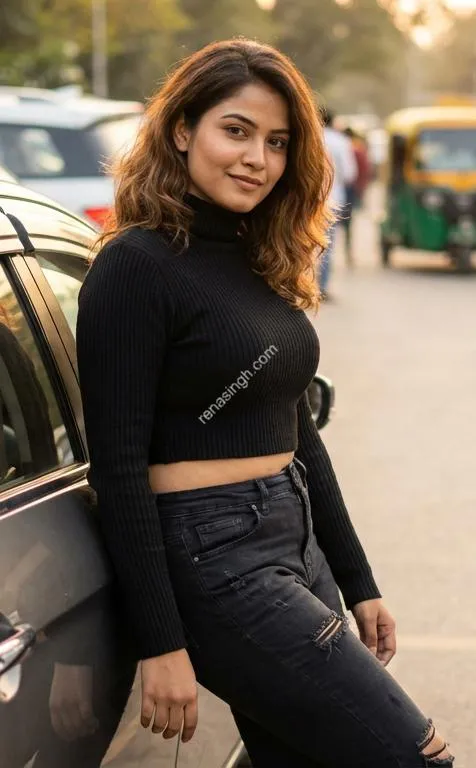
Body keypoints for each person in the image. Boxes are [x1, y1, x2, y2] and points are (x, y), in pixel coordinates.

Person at [76, 39, 454, 768]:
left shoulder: (257, 256)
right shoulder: (136, 266)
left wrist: (357, 578)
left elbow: (298, 433)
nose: (257, 158)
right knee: (417, 756)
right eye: (236, 131)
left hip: (291, 530)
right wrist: (161, 642)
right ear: (181, 130)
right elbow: (117, 467)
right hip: (213, 556)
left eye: (277, 142)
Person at [319, 109, 357, 298]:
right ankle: (321, 288)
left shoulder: (308, 135)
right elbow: (350, 174)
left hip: (304, 199)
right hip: (332, 200)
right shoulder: (341, 142)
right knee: (326, 245)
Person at [342, 126, 371, 266]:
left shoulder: (345, 147)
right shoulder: (358, 149)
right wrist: (361, 191)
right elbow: (363, 171)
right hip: (350, 190)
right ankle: (348, 252)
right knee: (348, 223)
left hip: (341, 190)